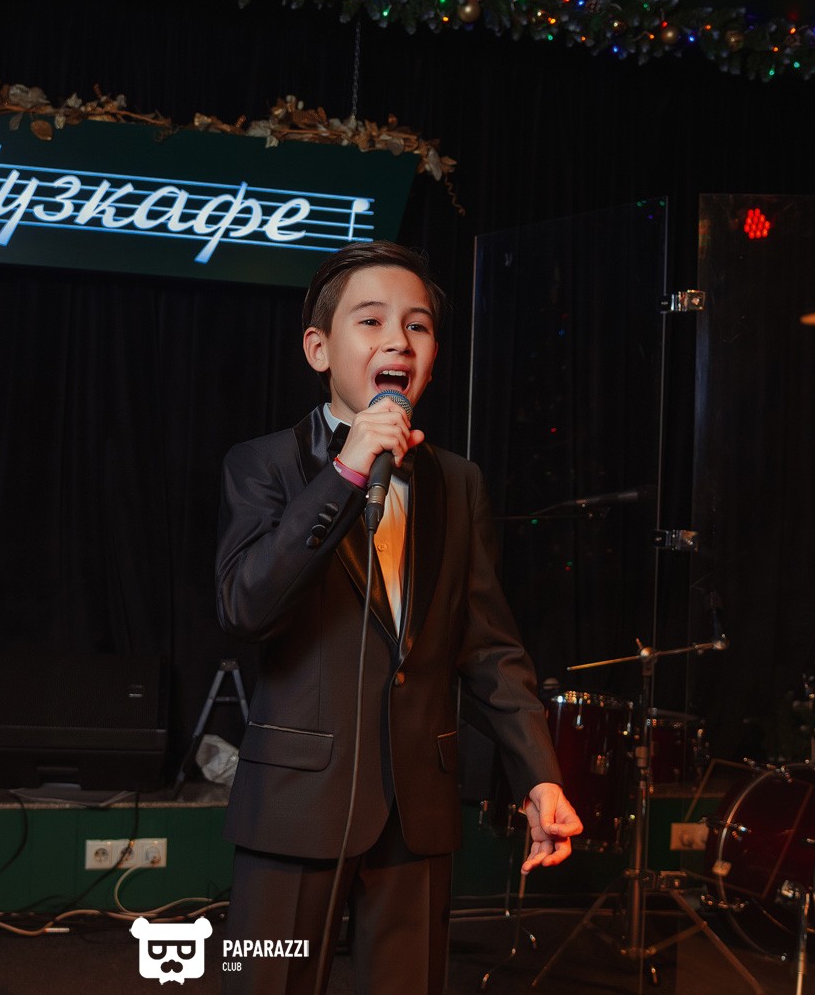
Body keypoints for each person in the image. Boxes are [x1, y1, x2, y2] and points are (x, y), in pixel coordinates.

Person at [214, 240, 582, 994]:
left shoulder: (458, 482)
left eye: (417, 326)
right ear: (319, 349)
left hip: (417, 809)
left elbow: (488, 647)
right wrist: (346, 472)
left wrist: (538, 774)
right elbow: (246, 604)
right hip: (295, 805)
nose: (398, 341)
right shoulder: (263, 465)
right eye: (371, 320)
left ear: (434, 358)